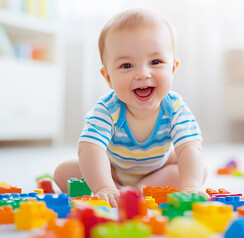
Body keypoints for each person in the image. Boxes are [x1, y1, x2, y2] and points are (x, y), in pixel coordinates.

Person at [54, 8, 208, 207]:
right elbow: (90, 148)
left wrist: (190, 186)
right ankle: (117, 189)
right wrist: (103, 186)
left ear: (172, 68)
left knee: (197, 170)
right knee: (63, 172)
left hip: (157, 170)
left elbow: (189, 146)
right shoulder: (108, 109)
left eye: (155, 62)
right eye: (127, 65)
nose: (143, 74)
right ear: (109, 77)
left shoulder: (175, 108)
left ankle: (137, 191)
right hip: (113, 170)